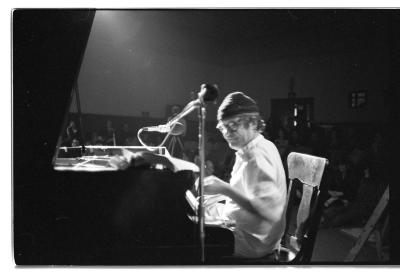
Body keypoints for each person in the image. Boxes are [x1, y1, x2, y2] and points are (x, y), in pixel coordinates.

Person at [202, 92, 287, 258]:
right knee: (201, 206)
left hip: (254, 241)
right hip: (247, 227)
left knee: (193, 236)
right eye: (223, 127)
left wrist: (224, 189)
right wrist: (217, 187)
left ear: (253, 122)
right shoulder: (258, 145)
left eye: (233, 126)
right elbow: (247, 191)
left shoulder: (256, 157)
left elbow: (268, 211)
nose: (227, 133)